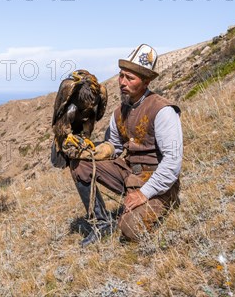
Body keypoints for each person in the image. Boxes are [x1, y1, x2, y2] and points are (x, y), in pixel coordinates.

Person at [70, 44, 183, 247]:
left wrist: (143, 194)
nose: (122, 82)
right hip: (129, 175)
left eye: (130, 78)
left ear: (146, 81)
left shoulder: (163, 110)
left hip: (158, 183)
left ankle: (168, 202)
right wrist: (99, 150)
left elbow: (173, 162)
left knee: (130, 229)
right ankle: (102, 223)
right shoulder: (118, 112)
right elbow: (116, 146)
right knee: (80, 164)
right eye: (121, 76)